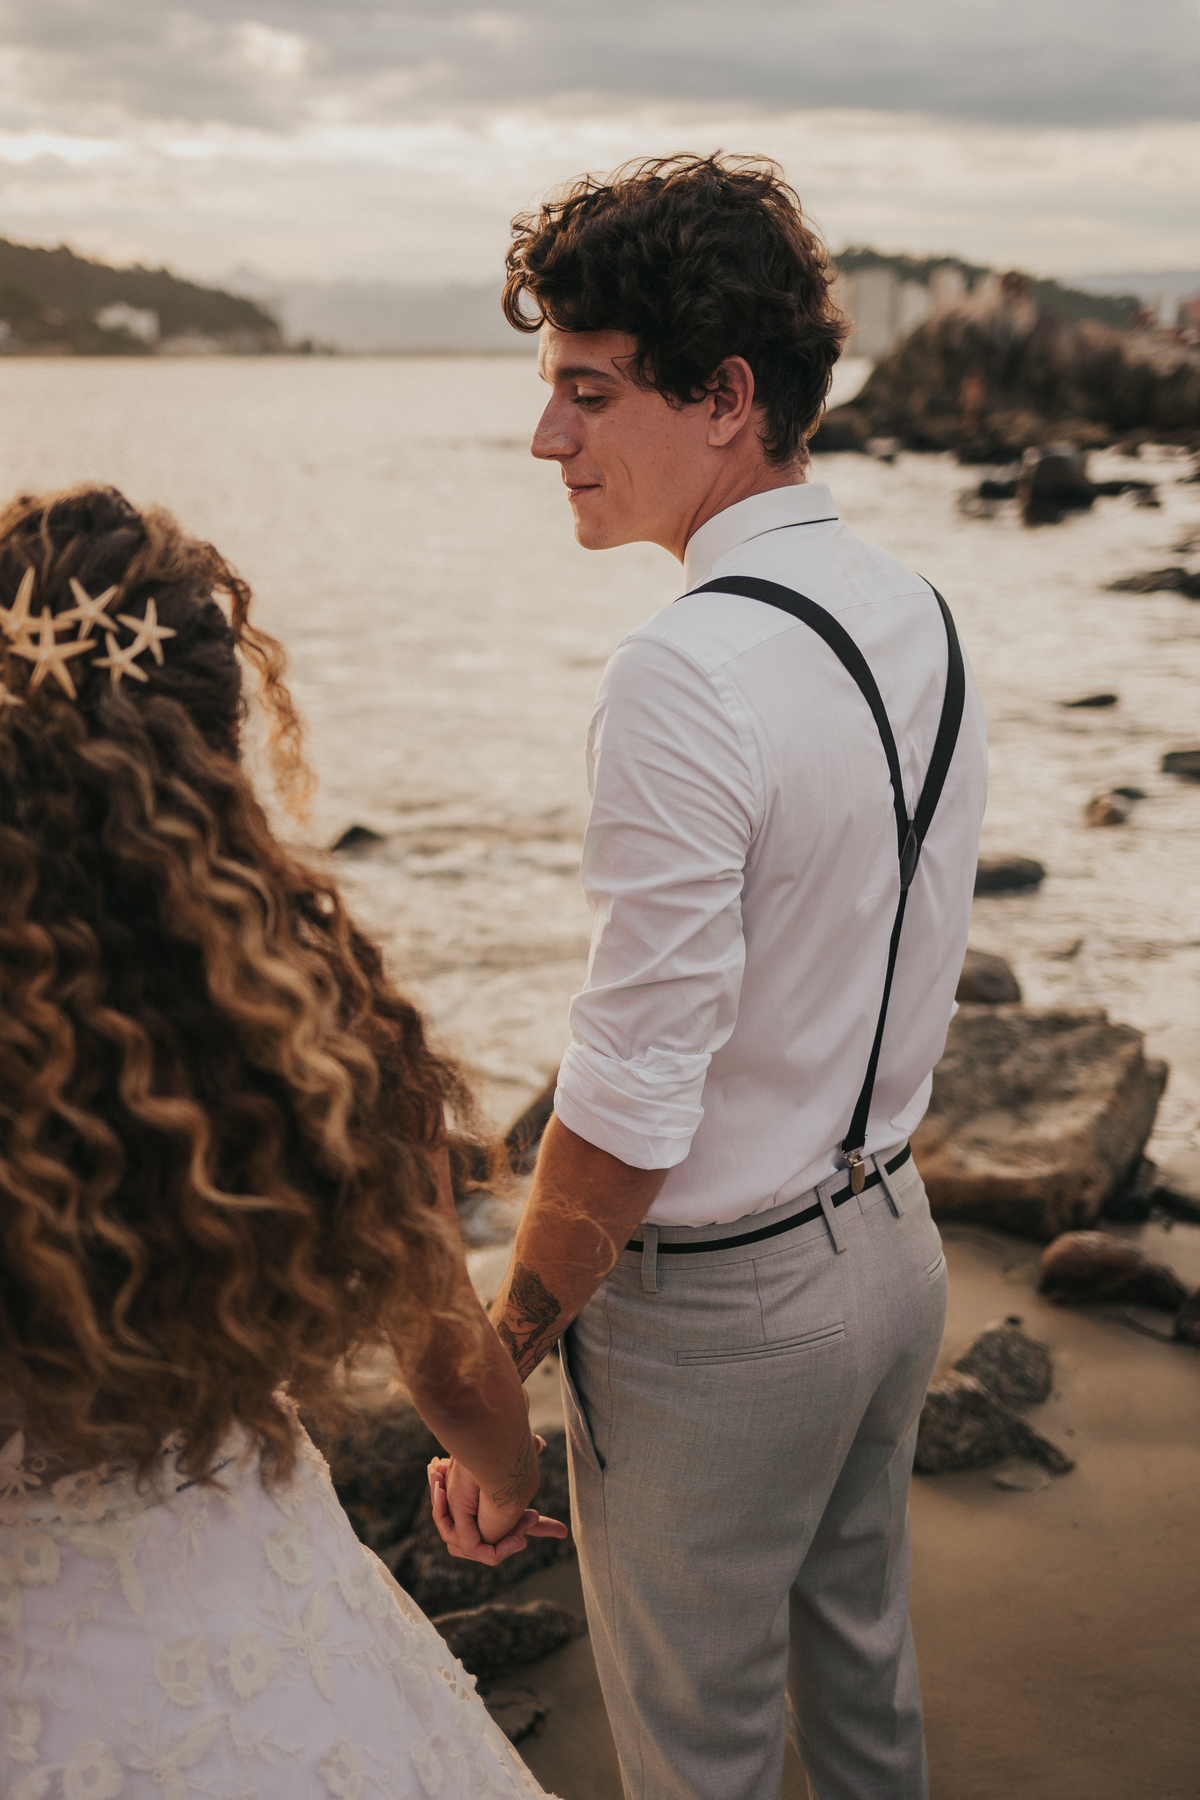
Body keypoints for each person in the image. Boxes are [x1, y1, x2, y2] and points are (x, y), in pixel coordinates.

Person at [432, 155, 989, 1799]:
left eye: (588, 395)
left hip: (728, 1314)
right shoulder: (920, 610)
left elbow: (633, 1083)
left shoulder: (683, 669)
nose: (552, 442)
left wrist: (500, 1360)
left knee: (701, 1760)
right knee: (866, 1700)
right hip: (891, 1246)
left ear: (727, 395)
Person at [0, 484, 564, 1800]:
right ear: (214, 743)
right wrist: (507, 1475)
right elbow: (451, 1363)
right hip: (252, 1618)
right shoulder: (318, 1024)